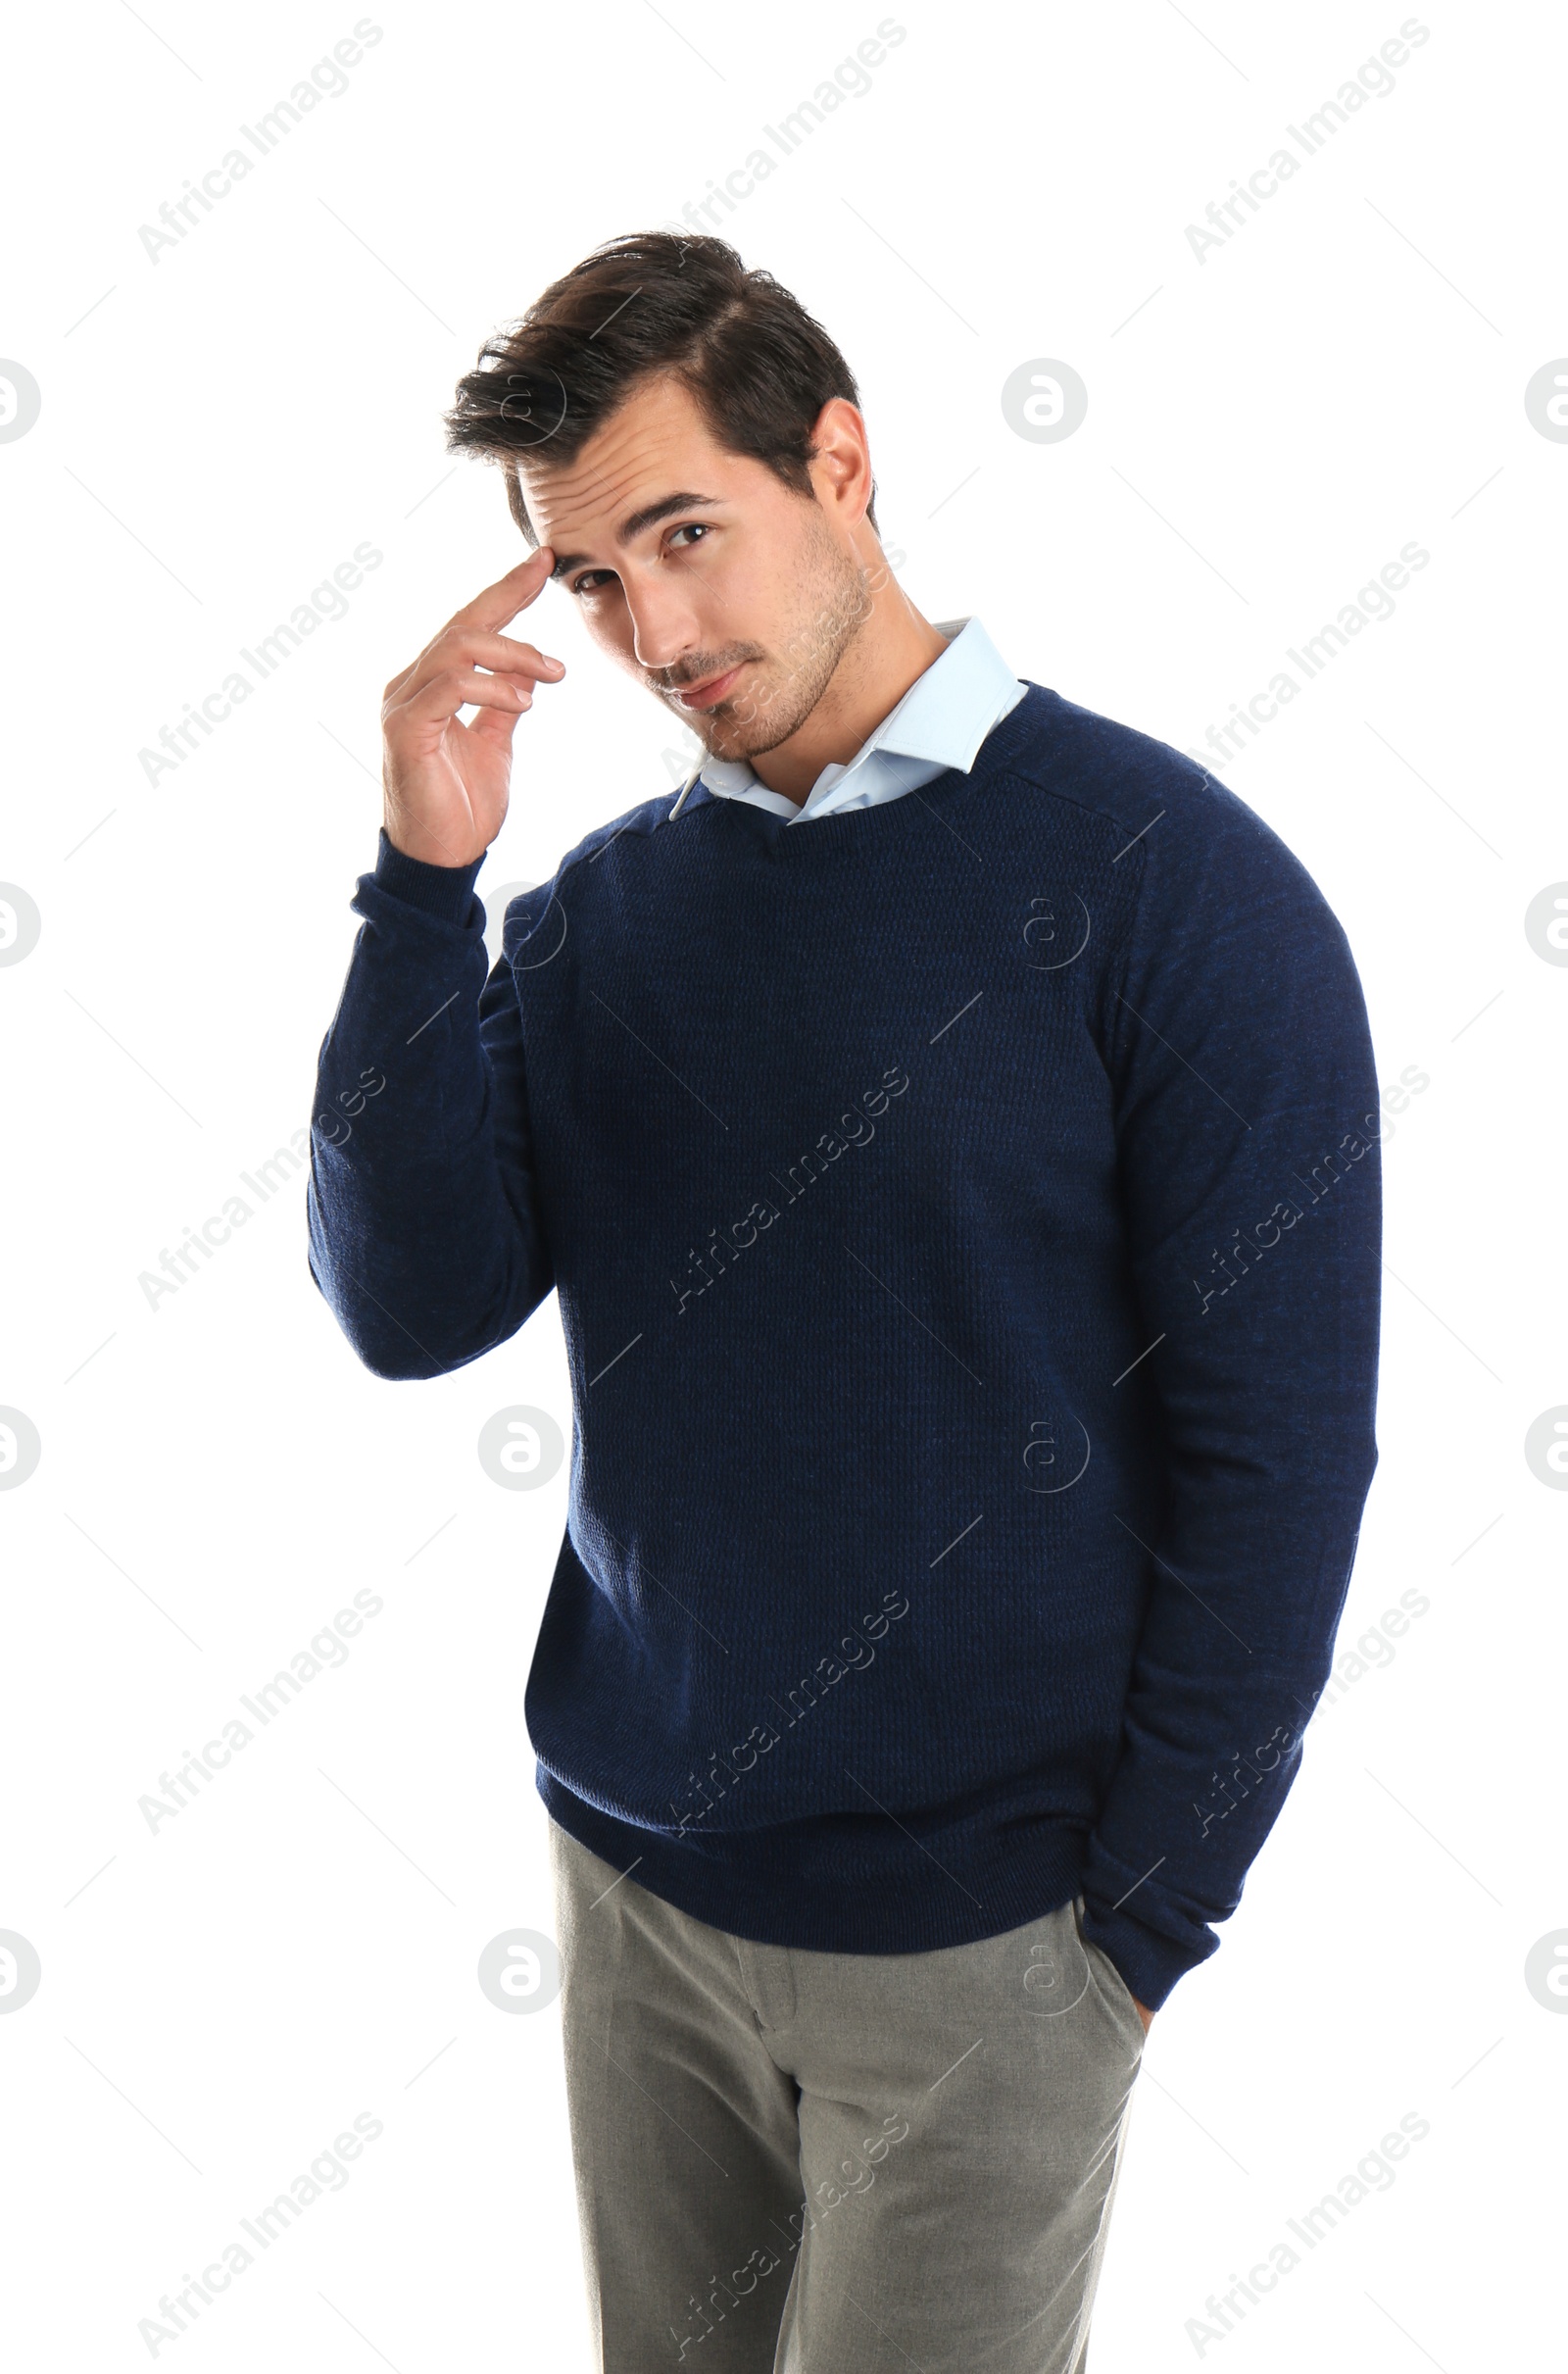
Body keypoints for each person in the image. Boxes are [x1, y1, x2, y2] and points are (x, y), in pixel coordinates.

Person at [307, 231, 1382, 2371]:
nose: (654, 630)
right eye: (596, 581)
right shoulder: (603, 915)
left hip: (990, 1939)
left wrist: (1136, 1924)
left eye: (684, 534)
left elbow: (1278, 1450)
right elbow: (411, 1302)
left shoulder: (1172, 881)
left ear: (841, 457)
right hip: (635, 1896)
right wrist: (425, 889)